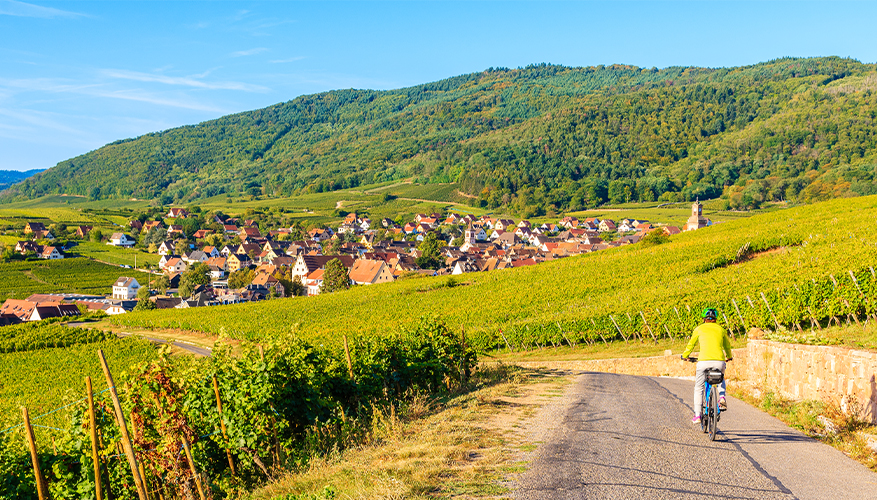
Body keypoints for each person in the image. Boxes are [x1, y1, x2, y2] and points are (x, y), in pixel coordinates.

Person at [681, 308, 733, 424]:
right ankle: (722, 397)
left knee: (699, 387)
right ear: (715, 319)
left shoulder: (699, 329)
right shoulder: (721, 329)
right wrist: (729, 357)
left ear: (704, 319)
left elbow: (691, 344)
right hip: (719, 361)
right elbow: (727, 346)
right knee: (721, 377)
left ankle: (698, 415)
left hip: (703, 362)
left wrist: (685, 356)